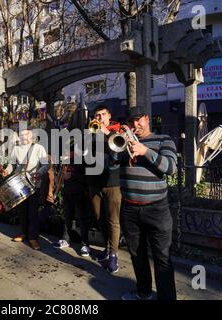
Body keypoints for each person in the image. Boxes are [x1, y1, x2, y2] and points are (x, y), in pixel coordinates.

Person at [116, 105, 177, 300]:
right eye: (131, 121)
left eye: (139, 119)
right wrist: (117, 148)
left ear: (147, 119)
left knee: (162, 257)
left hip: (157, 209)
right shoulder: (124, 144)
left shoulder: (163, 140)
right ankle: (143, 293)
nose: (136, 124)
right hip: (129, 208)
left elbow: (170, 168)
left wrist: (145, 151)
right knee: (137, 255)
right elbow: (110, 166)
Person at [87, 105, 122, 273]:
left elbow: (119, 153)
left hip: (112, 183)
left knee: (113, 220)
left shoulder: (116, 131)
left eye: (102, 115)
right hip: (94, 182)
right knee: (99, 218)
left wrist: (106, 132)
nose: (99, 118)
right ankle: (107, 249)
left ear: (109, 116)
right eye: (96, 115)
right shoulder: (91, 132)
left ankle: (114, 255)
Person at [2, 127, 49, 250]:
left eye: (26, 135)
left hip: (33, 182)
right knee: (22, 211)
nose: (24, 137)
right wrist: (6, 171)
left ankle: (33, 238)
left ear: (31, 136)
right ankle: (24, 233)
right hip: (20, 183)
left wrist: (38, 173)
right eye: (21, 135)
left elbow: (45, 165)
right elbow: (11, 165)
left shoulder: (39, 148)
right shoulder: (16, 149)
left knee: (33, 211)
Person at [52, 151, 91, 257]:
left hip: (79, 193)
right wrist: (58, 176)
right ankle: (65, 239)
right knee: (67, 217)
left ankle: (85, 244)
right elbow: (60, 175)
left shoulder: (83, 160)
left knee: (82, 219)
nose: (66, 153)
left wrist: (72, 175)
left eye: (69, 151)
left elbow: (86, 177)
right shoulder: (66, 161)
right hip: (67, 192)